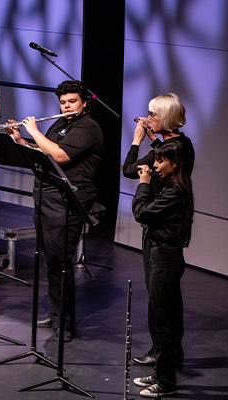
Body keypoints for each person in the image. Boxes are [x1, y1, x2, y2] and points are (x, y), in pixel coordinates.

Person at [8, 80, 103, 341]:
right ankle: (56, 312)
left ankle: (67, 323)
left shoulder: (89, 127)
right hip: (47, 198)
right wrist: (21, 140)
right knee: (51, 260)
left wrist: (34, 131)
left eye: (72, 102)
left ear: (84, 102)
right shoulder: (61, 124)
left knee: (62, 262)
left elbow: (60, 155)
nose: (66, 106)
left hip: (68, 201)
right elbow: (43, 151)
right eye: (63, 102)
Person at [123, 93, 193, 368]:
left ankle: (165, 354)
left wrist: (137, 139)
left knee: (161, 301)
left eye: (153, 115)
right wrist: (152, 139)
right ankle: (167, 352)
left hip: (163, 230)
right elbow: (144, 163)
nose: (148, 118)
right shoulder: (174, 145)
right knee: (163, 298)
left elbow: (131, 169)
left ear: (164, 117)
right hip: (157, 230)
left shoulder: (178, 148)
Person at [131, 140, 193, 398]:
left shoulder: (176, 190)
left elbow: (141, 212)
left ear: (174, 163)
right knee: (159, 316)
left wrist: (143, 184)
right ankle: (160, 371)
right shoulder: (169, 185)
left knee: (161, 320)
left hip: (166, 257)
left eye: (159, 161)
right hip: (160, 253)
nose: (154, 166)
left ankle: (166, 381)